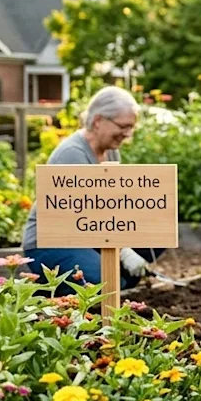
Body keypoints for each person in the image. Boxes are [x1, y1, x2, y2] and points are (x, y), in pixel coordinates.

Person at [23, 86, 162, 289]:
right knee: (106, 287)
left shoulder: (110, 152)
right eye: (123, 126)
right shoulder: (72, 154)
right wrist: (123, 251)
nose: (127, 134)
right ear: (98, 121)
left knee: (156, 236)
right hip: (55, 242)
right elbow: (78, 218)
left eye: (131, 128)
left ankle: (123, 280)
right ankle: (55, 292)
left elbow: (109, 205)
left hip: (91, 235)